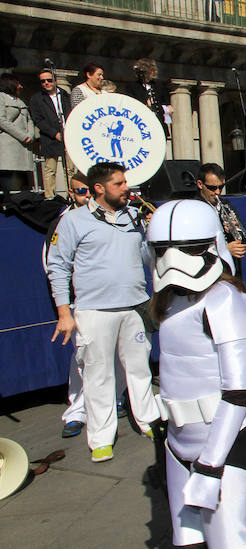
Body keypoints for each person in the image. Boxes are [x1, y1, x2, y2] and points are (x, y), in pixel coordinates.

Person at [146, 200, 246, 549]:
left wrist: (211, 464)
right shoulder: (169, 301)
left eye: (187, 249)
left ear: (212, 246)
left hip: (223, 443)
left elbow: (238, 392)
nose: (172, 260)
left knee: (231, 545)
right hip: (178, 442)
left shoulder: (223, 299)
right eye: (162, 250)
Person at [46, 162, 161, 462]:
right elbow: (58, 266)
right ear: (99, 188)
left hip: (134, 306)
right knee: (98, 376)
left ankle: (148, 421)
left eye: (125, 182)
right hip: (94, 310)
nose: (126, 188)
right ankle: (101, 438)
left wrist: (152, 232)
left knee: (140, 369)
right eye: (118, 184)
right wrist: (63, 311)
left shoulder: (134, 217)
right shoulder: (73, 221)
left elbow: (146, 257)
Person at [42, 173, 127, 438]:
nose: (86, 196)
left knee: (117, 353)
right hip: (81, 302)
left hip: (114, 299)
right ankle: (78, 411)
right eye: (80, 191)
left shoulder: (113, 216)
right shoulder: (65, 221)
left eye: (88, 191)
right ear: (71, 192)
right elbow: (54, 265)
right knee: (84, 358)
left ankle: (115, 399)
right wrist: (64, 309)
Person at [195, 162, 246, 277]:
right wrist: (224, 250)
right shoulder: (195, 208)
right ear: (200, 184)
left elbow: (243, 243)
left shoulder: (226, 205)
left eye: (221, 187)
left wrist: (236, 230)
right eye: (212, 188)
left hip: (232, 271)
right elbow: (195, 248)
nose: (217, 192)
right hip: (211, 273)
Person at [30, 69, 74, 199]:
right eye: (43, 81)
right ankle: (50, 197)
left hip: (68, 135)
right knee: (50, 170)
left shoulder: (65, 95)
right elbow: (38, 120)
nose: (46, 83)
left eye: (49, 80)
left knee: (70, 169)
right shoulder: (37, 98)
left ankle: (72, 195)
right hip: (49, 137)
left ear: (55, 80)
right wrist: (54, 134)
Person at [0, 73, 35, 206]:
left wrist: (30, 135)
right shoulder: (1, 98)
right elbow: (2, 120)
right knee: (9, 183)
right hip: (8, 147)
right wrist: (23, 136)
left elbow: (29, 120)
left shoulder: (20, 101)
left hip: (24, 147)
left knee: (23, 183)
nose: (21, 86)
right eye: (18, 83)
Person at [124, 58, 171, 136]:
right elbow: (130, 105)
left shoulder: (159, 86)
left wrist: (166, 110)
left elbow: (166, 104)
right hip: (141, 124)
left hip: (159, 124)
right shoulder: (132, 86)